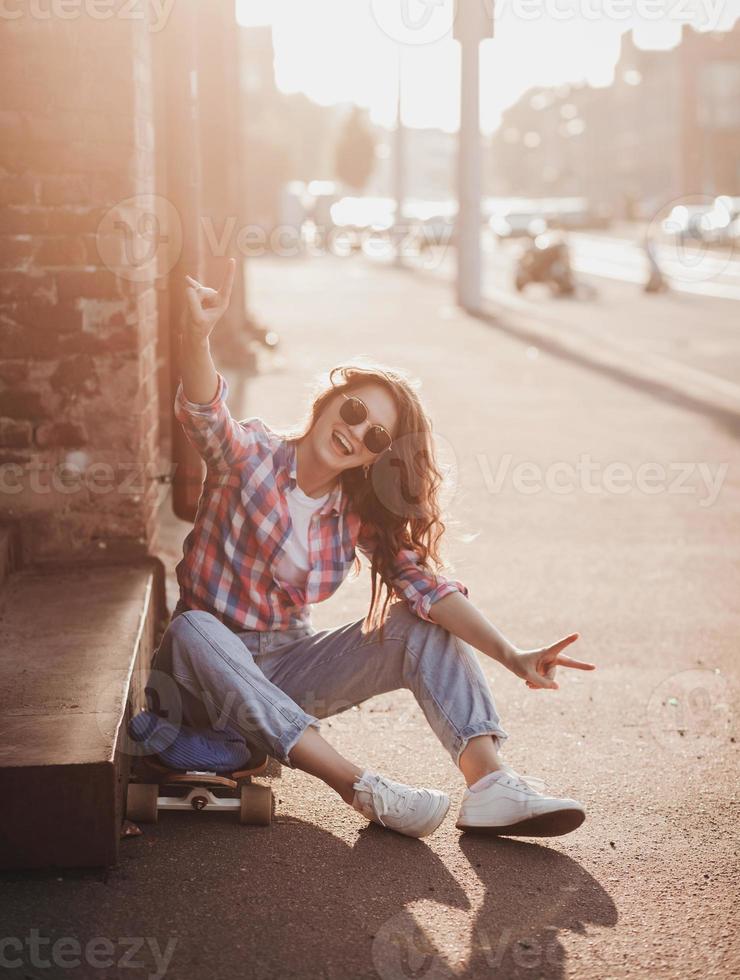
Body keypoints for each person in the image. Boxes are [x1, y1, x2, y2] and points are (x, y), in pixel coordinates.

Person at [149, 257, 596, 840]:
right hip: (199, 679)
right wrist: (198, 335)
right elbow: (206, 413)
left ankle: (490, 786)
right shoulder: (248, 457)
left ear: (377, 456)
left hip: (285, 667)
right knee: (194, 630)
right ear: (331, 400)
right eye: (355, 411)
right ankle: (358, 787)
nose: (355, 432)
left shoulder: (353, 514)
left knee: (420, 624)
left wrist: (511, 655)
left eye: (375, 436)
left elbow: (426, 589)